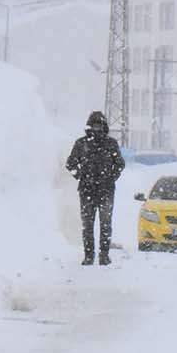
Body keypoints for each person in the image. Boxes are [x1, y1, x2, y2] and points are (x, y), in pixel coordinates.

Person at [65, 111, 125, 265]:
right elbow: (70, 163)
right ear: (90, 126)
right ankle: (89, 255)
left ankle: (103, 256)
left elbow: (120, 164)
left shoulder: (110, 143)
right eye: (95, 125)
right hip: (88, 191)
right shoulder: (81, 143)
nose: (97, 129)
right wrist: (81, 176)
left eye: (99, 125)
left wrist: (111, 178)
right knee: (88, 226)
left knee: (105, 224)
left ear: (103, 126)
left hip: (104, 190)